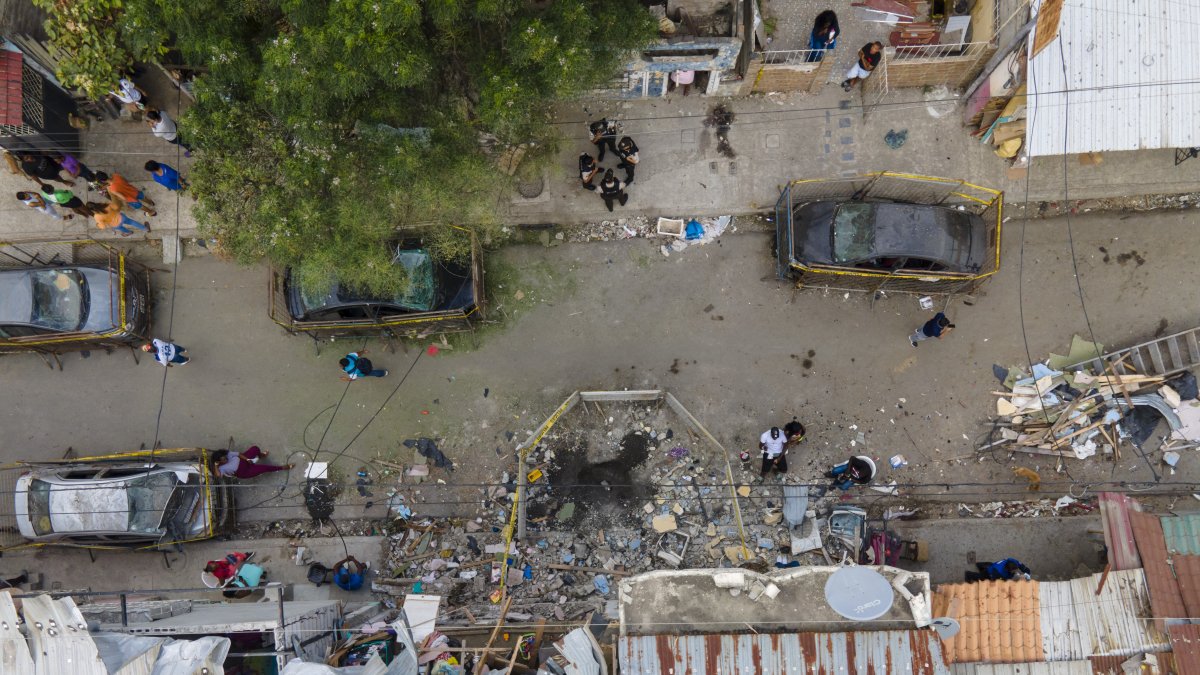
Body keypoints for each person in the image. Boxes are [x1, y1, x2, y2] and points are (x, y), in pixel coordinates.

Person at [213, 447, 294, 479]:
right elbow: (218, 475)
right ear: (219, 461)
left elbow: (239, 454)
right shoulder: (221, 468)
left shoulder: (228, 454)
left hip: (244, 460)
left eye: (225, 458)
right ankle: (282, 467)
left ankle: (261, 455)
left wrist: (247, 459)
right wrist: (216, 466)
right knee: (264, 468)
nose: (226, 460)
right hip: (244, 472)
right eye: (223, 460)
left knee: (255, 448)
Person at [965, 558, 1032, 582]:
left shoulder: (1013, 561)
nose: (1016, 571)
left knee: (990, 565)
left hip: (995, 565)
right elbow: (1003, 580)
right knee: (982, 578)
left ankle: (979, 565)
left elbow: (1022, 566)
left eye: (1015, 569)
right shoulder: (1000, 573)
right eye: (1013, 571)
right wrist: (1017, 577)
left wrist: (1027, 572)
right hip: (991, 572)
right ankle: (968, 574)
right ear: (1007, 569)